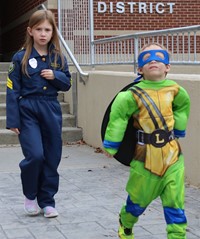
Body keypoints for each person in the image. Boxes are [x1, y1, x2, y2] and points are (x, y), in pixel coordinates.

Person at [103, 43, 190, 239]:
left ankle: (177, 235)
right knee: (137, 202)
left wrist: (179, 128)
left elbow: (182, 107)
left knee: (175, 203)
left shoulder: (176, 90)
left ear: (167, 67)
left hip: (173, 157)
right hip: (144, 159)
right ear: (140, 69)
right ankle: (126, 223)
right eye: (146, 58)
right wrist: (112, 143)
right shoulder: (130, 95)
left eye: (159, 57)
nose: (153, 60)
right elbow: (118, 117)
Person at [6, 9, 71, 218]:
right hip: (28, 110)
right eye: (39, 29)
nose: (43, 33)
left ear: (53, 33)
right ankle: (30, 195)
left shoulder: (58, 58)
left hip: (51, 109)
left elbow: (67, 83)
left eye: (47, 30)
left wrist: (56, 76)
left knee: (52, 157)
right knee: (35, 155)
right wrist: (13, 120)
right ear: (30, 31)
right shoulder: (19, 58)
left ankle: (48, 202)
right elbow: (12, 90)